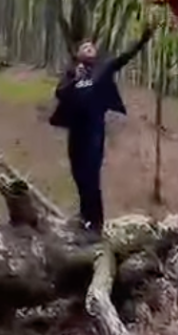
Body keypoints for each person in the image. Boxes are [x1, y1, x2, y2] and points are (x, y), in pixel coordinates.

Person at [49, 25, 153, 236]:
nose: (88, 49)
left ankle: (96, 223)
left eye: (91, 47)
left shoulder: (102, 70)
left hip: (94, 130)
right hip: (76, 131)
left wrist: (142, 39)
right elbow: (59, 93)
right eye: (84, 47)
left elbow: (124, 58)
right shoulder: (71, 73)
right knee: (78, 174)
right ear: (78, 54)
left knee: (91, 175)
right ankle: (84, 216)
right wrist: (74, 79)